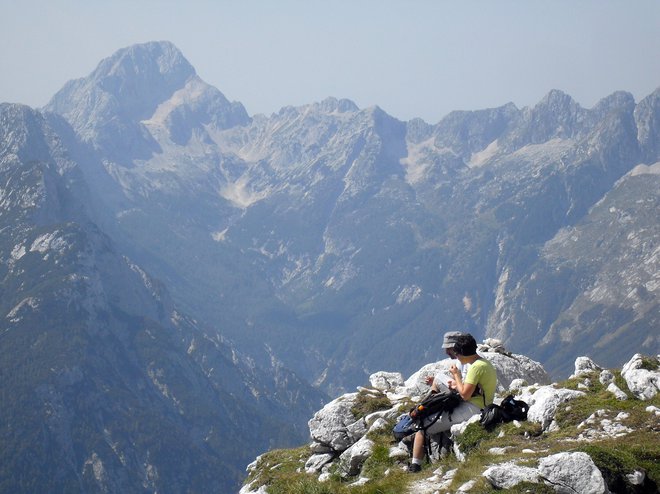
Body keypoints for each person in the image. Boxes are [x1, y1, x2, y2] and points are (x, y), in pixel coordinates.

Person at [408, 333, 497, 473]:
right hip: (480, 404)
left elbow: (465, 395)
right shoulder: (483, 363)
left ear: (461, 353)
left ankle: (415, 466)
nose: (457, 357)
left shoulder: (475, 367)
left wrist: (456, 375)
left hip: (472, 408)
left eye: (457, 353)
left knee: (422, 425)